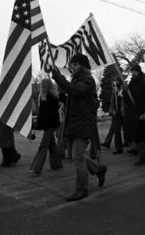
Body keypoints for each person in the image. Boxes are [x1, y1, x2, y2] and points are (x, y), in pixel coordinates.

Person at [51, 53, 107, 202]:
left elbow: (75, 91)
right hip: (75, 122)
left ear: (82, 65)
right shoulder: (76, 79)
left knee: (77, 156)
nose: (72, 66)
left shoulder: (87, 79)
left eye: (75, 64)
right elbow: (71, 95)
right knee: (78, 155)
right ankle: (98, 169)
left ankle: (81, 189)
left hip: (83, 122)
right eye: (72, 64)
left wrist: (58, 77)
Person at [28, 79, 63, 176]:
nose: (41, 86)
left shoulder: (49, 97)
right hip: (50, 124)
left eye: (42, 85)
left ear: (46, 86)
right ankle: (57, 165)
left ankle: (36, 168)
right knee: (51, 145)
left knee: (43, 145)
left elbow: (45, 113)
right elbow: (43, 113)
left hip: (50, 124)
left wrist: (38, 125)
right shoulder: (48, 96)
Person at [123, 64, 145, 165]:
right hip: (134, 112)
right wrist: (125, 91)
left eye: (135, 71)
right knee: (136, 135)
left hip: (142, 112)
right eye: (132, 71)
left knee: (141, 135)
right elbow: (128, 97)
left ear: (139, 71)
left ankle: (142, 157)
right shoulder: (132, 82)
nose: (133, 73)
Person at [102, 78, 125, 154]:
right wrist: (112, 110)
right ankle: (118, 147)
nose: (115, 84)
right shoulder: (115, 91)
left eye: (117, 82)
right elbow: (113, 101)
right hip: (117, 113)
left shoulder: (124, 90)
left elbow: (124, 100)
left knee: (125, 129)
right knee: (116, 130)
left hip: (123, 112)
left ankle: (128, 144)